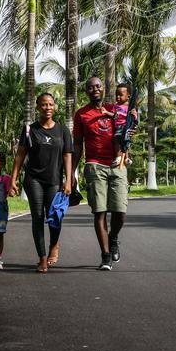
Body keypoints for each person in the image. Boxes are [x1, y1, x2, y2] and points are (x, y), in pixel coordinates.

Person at [73, 76, 135, 271]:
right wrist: (71, 173)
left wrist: (132, 127)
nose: (95, 89)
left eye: (98, 86)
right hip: (94, 164)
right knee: (99, 211)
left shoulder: (115, 107)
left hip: (118, 164)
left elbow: (129, 122)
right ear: (87, 91)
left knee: (120, 211)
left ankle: (114, 237)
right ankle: (105, 255)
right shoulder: (81, 114)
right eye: (90, 87)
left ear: (103, 88)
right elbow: (77, 144)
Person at [9, 93, 73, 273]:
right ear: (38, 107)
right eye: (44, 105)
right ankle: (42, 258)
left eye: (51, 104)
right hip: (33, 179)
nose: (48, 107)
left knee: (54, 217)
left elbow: (67, 155)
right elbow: (20, 155)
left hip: (54, 180)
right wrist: (13, 180)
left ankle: (54, 244)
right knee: (37, 217)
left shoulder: (62, 130)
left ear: (55, 107)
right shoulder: (30, 130)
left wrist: (68, 180)